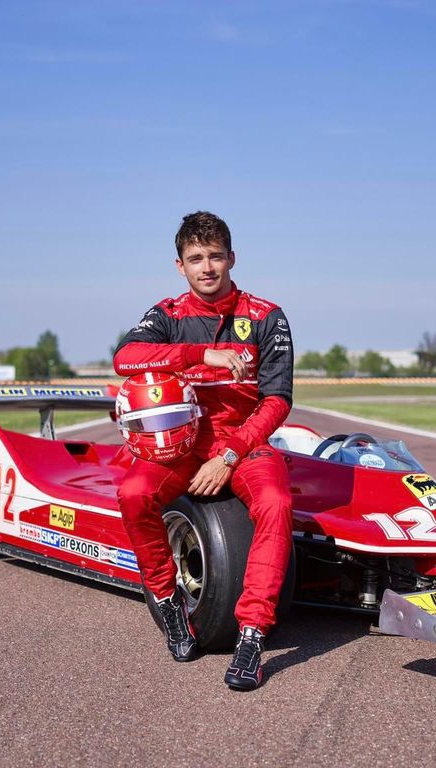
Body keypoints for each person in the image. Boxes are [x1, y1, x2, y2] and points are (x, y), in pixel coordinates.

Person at [114, 210, 294, 691]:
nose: (207, 267)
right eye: (196, 258)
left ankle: (252, 635)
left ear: (232, 258)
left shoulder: (265, 316)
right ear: (180, 266)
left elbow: (278, 401)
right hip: (180, 442)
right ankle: (168, 603)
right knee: (134, 493)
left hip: (243, 441)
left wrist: (231, 454)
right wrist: (199, 354)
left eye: (215, 256)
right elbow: (125, 359)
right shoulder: (168, 315)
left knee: (276, 503)